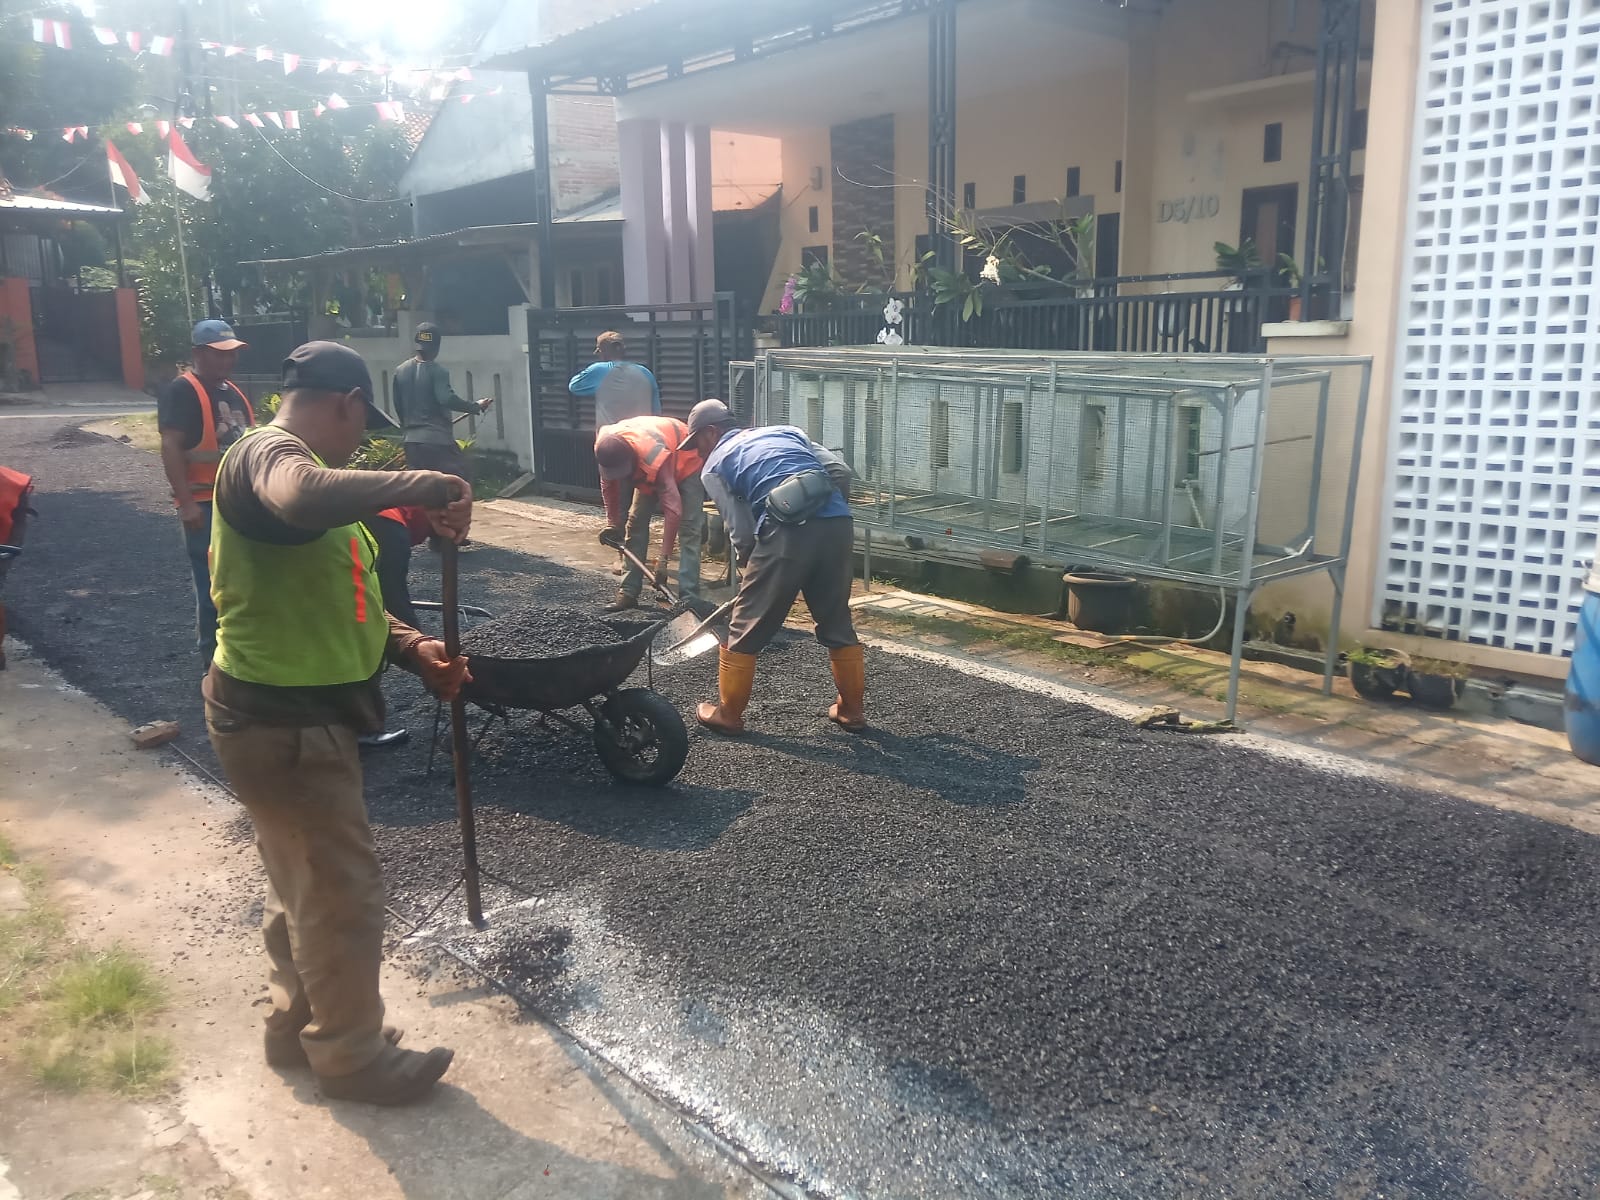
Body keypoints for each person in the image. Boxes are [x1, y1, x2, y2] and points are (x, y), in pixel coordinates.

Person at [205, 340, 473, 1106]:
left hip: (283, 716)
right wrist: (432, 480)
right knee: (341, 897)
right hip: (283, 723)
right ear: (348, 401)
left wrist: (415, 648)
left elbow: (343, 601)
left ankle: (298, 1026)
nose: (363, 440)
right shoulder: (267, 457)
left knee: (302, 884)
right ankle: (352, 1057)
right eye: (363, 424)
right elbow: (299, 496)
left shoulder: (308, 485)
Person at [683, 399, 866, 735]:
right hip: (838, 523)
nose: (697, 453)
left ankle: (728, 714)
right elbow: (839, 471)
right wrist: (826, 511)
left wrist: (750, 565)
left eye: (696, 444)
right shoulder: (787, 431)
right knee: (835, 617)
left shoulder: (715, 464)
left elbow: (738, 527)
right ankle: (851, 711)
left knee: (746, 623)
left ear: (711, 432)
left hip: (786, 532)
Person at [159, 319, 255, 663]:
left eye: (232, 354)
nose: (228, 361)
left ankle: (242, 658)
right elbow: (171, 446)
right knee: (212, 589)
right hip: (205, 505)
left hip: (239, 504)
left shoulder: (232, 391)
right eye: (220, 354)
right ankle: (212, 664)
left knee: (244, 585)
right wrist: (186, 503)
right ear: (198, 353)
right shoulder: (182, 390)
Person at [595, 415, 706, 611]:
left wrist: (663, 559)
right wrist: (612, 522)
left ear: (632, 459)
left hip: (686, 458)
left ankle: (689, 598)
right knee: (635, 522)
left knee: (689, 528)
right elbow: (608, 485)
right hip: (650, 455)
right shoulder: (605, 445)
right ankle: (628, 592)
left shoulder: (653, 455)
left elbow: (673, 510)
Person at [393, 322, 492, 483]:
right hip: (437, 442)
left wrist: (409, 429)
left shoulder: (400, 370)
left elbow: (398, 405)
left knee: (419, 487)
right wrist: (475, 406)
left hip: (411, 442)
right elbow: (446, 398)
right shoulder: (438, 371)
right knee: (459, 479)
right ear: (437, 347)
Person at [569, 331, 661, 431]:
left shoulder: (599, 370)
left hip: (613, 440)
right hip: (642, 438)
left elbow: (574, 386)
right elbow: (656, 412)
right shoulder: (645, 372)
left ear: (602, 352)